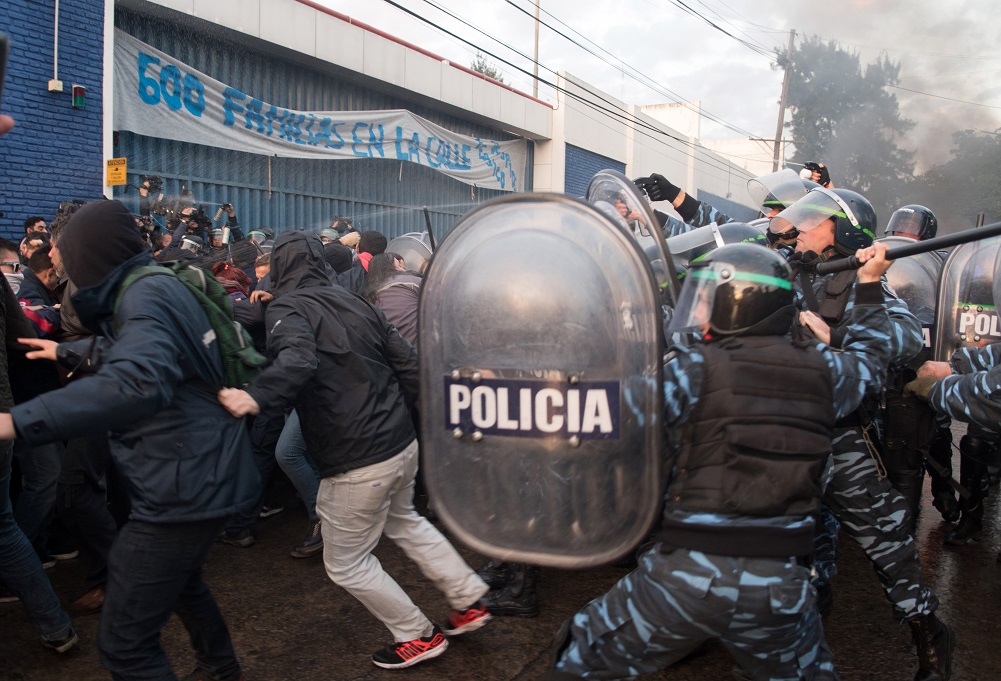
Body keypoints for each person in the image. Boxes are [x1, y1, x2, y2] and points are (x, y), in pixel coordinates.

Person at [547, 241, 897, 681]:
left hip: (684, 577)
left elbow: (602, 415)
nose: (696, 312)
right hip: (779, 587)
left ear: (740, 302)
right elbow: (871, 360)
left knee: (581, 659)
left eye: (706, 299)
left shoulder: (695, 369)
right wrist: (869, 284)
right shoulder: (830, 372)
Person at [0, 199, 258, 680]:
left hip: (181, 485)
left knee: (124, 645)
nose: (53, 257)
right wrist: (69, 350)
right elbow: (148, 351)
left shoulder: (144, 295)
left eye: (63, 250)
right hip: (199, 469)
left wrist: (16, 422)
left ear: (90, 254)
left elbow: (138, 380)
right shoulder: (154, 284)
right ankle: (222, 669)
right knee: (184, 585)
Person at [218, 230, 492, 670]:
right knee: (406, 521)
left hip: (355, 455)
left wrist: (256, 395)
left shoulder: (289, 307)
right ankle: (470, 600)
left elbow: (298, 360)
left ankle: (417, 635)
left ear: (282, 266)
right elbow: (409, 364)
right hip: (400, 442)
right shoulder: (358, 302)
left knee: (346, 562)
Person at [768, 188, 953, 680]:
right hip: (783, 432)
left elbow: (905, 337)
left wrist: (842, 331)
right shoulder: (782, 269)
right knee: (784, 541)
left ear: (844, 233)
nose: (799, 229)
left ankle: (929, 635)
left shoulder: (863, 282)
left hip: (840, 435)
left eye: (813, 221)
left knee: (885, 542)